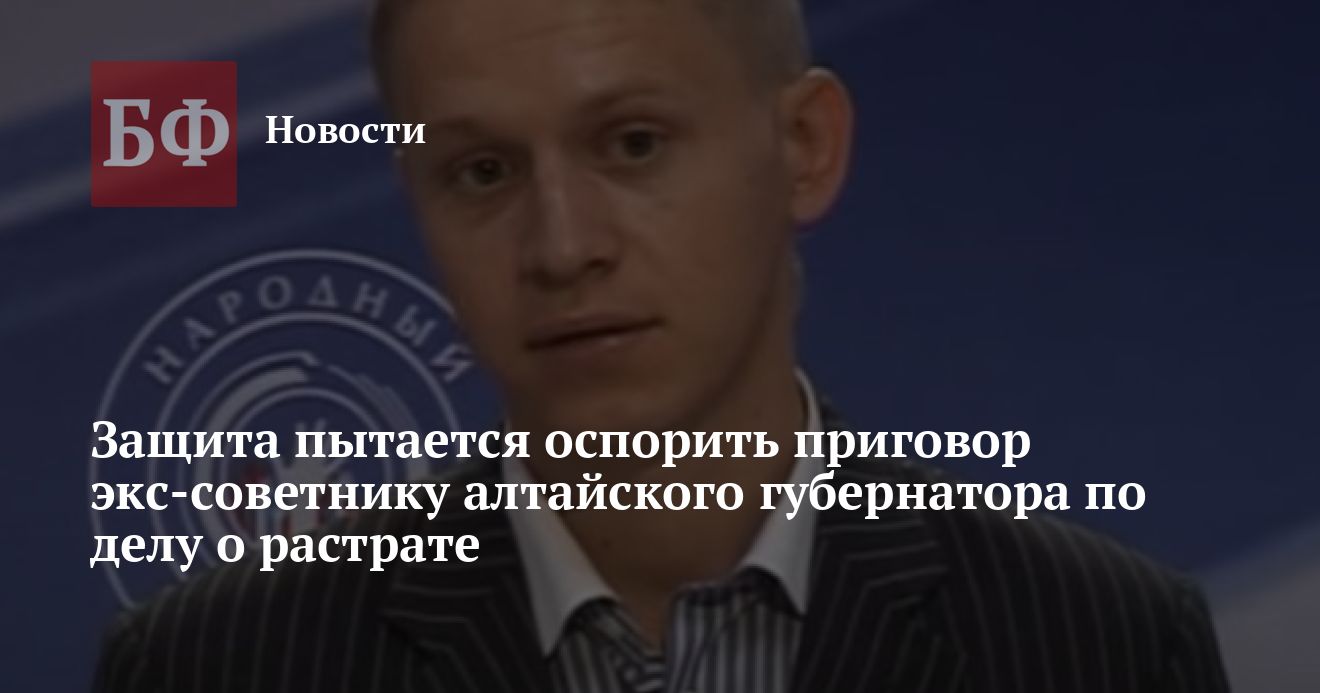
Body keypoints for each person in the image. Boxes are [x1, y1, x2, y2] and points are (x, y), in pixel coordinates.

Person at [94, 0, 1232, 691]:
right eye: (481, 172)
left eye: (632, 144)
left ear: (805, 147)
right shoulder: (217, 669)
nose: (561, 246)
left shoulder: (1100, 647)